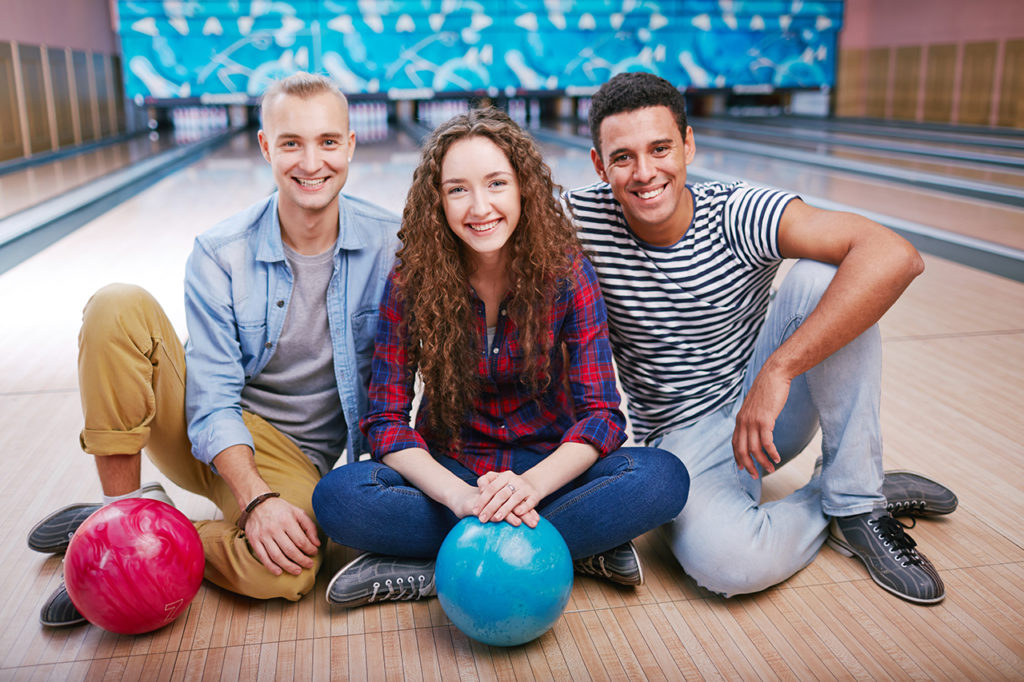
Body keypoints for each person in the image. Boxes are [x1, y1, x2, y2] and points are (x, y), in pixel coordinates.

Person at [563, 72, 958, 604]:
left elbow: (894, 255)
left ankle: (856, 502)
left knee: (828, 277)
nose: (645, 172)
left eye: (660, 148)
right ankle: (848, 490)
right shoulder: (579, 219)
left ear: (689, 144)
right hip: (679, 442)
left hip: (766, 413)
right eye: (623, 157)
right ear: (598, 165)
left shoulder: (737, 211)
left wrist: (778, 371)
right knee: (731, 565)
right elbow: (484, 226)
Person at [27, 72, 400, 627]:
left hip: (295, 457)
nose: (311, 162)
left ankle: (147, 525)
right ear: (265, 146)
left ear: (350, 144)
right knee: (116, 304)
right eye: (291, 143)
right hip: (202, 424)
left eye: (326, 142)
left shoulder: (390, 245)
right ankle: (111, 540)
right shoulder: (221, 251)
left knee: (290, 571)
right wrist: (253, 499)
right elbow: (212, 399)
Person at [311, 107, 689, 608]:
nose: (479, 206)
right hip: (452, 470)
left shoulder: (566, 273)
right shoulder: (413, 280)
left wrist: (529, 486)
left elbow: (601, 416)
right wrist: (460, 497)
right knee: (339, 497)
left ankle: (439, 562)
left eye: (496, 183)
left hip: (549, 472)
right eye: (458, 189)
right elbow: (383, 420)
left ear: (523, 190)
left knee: (661, 479)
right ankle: (568, 548)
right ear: (438, 201)